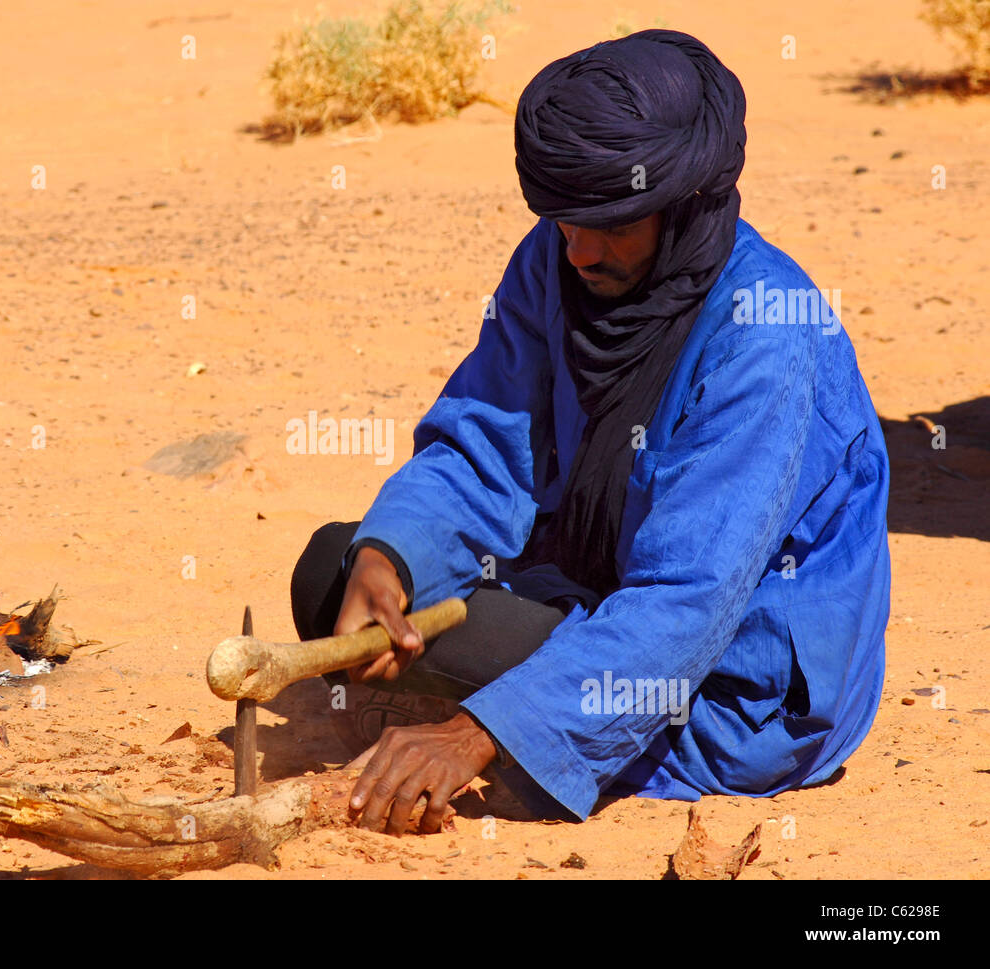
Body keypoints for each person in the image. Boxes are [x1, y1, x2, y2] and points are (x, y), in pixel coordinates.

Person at [289, 29, 890, 836]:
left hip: (729, 688)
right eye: (563, 219)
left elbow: (688, 601)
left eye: (611, 223)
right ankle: (511, 708)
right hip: (602, 591)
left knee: (488, 699)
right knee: (336, 573)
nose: (578, 249)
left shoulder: (765, 333)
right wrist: (389, 557)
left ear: (685, 207)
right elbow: (481, 449)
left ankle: (527, 728)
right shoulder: (558, 256)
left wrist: (481, 734)